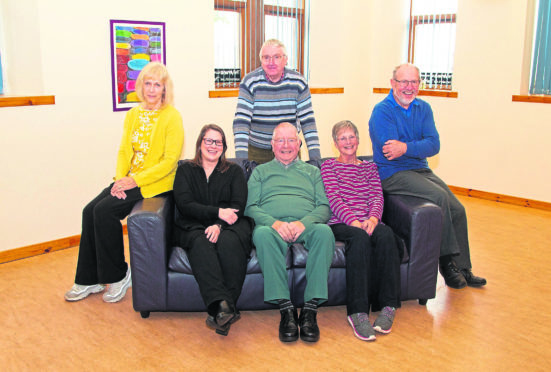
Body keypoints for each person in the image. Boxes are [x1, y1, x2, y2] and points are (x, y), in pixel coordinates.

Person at [65, 62, 184, 303]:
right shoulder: (133, 114)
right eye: (147, 84)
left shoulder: (172, 116)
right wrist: (120, 180)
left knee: (105, 211)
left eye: (157, 85)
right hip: (128, 179)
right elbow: (123, 150)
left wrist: (134, 180)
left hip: (155, 183)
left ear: (164, 89)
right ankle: (89, 279)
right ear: (141, 86)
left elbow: (170, 162)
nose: (151, 89)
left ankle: (119, 275)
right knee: (90, 211)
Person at [368, 63, 486, 290]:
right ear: (393, 84)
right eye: (404, 82)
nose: (409, 87)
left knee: (458, 209)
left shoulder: (424, 108)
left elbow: (434, 145)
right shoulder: (382, 112)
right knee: (438, 196)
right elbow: (390, 151)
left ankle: (464, 267)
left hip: (420, 169)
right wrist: (413, 147)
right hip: (392, 173)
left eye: (414, 82)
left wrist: (406, 147)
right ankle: (447, 262)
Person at [245, 123, 335, 343]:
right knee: (262, 234)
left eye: (291, 140)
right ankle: (286, 310)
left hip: (306, 225)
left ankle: (309, 311)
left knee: (325, 233)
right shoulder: (260, 172)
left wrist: (304, 223)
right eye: (281, 141)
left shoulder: (313, 172)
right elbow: (250, 207)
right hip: (272, 227)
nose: (286, 145)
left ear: (299, 144)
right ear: (272, 145)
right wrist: (274, 223)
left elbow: (324, 207)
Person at [321, 120, 402, 342]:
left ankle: (388, 307)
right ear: (336, 143)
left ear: (358, 140)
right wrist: (354, 222)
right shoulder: (329, 167)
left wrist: (374, 219)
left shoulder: (369, 167)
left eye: (351, 137)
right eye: (342, 138)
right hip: (342, 223)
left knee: (387, 235)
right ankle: (357, 313)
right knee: (358, 238)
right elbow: (334, 199)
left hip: (370, 221)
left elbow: (377, 195)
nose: (348, 142)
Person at [173, 124, 254, 336]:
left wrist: (219, 225)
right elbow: (185, 204)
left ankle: (222, 313)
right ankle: (223, 307)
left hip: (231, 224)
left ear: (224, 147)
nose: (213, 145)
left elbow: (238, 205)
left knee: (230, 243)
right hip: (192, 224)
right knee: (201, 241)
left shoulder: (234, 171)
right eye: (208, 140)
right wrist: (217, 212)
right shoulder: (185, 170)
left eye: (218, 142)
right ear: (200, 144)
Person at [233, 38, 321, 164]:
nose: (271, 62)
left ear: (285, 59)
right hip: (258, 150)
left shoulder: (299, 82)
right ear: (261, 61)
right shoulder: (249, 82)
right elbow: (241, 122)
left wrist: (315, 158)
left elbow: (308, 122)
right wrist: (241, 160)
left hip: (289, 149)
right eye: (266, 57)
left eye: (277, 57)